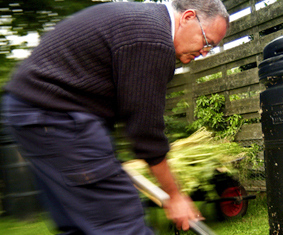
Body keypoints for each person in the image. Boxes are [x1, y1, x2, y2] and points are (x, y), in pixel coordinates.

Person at [1, 0, 229, 234]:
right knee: (123, 226)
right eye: (206, 41)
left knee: (79, 227)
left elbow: (128, 114)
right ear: (188, 17)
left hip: (29, 112)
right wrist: (175, 195)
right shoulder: (154, 40)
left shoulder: (143, 24)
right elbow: (145, 134)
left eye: (210, 48)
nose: (204, 52)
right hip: (55, 116)